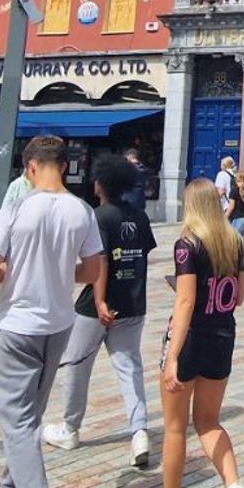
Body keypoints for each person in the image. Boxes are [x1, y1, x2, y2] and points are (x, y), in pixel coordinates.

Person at [0, 135, 105, 488]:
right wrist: (62, 271)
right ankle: (9, 482)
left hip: (17, 324)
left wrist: (11, 271)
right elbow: (92, 272)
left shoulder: (16, 208)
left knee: (17, 420)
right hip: (58, 323)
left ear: (30, 167)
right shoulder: (82, 210)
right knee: (30, 413)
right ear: (65, 166)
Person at [43, 155, 157, 470]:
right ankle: (139, 432)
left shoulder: (99, 216)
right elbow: (139, 259)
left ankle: (70, 428)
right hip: (134, 304)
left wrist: (101, 301)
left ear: (101, 184)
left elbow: (101, 260)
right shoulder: (140, 217)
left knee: (76, 364)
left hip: (96, 307)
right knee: (129, 368)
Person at [160, 177, 244, 488]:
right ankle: (233, 483)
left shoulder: (187, 244)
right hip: (222, 335)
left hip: (191, 336)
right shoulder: (235, 241)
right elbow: (238, 297)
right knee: (209, 421)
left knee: (174, 427)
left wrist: (172, 355)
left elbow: (186, 301)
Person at [123, 147, 148, 212]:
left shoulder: (128, 169)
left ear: (130, 156)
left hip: (128, 200)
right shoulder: (143, 168)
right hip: (140, 199)